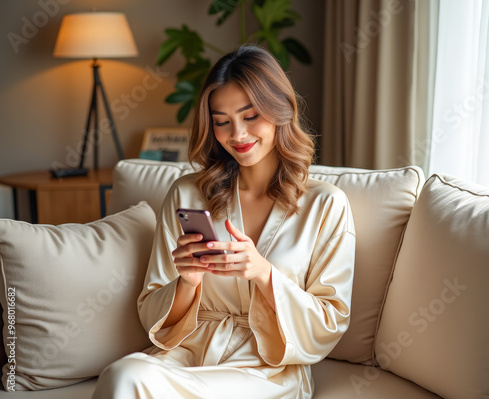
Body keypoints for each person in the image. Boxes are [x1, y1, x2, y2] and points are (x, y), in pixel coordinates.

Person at [92, 45, 356, 399]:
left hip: (266, 368)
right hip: (188, 354)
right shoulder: (187, 194)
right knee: (124, 375)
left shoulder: (325, 205)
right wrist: (187, 282)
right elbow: (151, 309)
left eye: (250, 116)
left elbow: (330, 321)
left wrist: (263, 273)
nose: (238, 135)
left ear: (279, 110)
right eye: (222, 122)